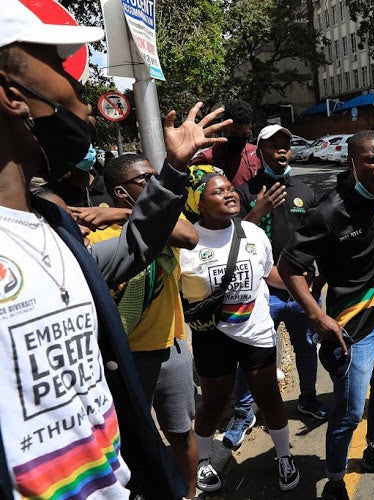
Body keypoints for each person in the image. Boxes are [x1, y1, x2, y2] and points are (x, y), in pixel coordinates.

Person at [0, 1, 231, 497]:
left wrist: (171, 171)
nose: (79, 85)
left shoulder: (53, 225)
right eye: (59, 63)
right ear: (10, 94)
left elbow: (136, 246)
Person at [279, 130, 374, 500]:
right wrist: (318, 317)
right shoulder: (328, 212)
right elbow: (289, 266)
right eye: (373, 159)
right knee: (350, 412)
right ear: (352, 163)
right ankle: (335, 481)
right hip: (351, 330)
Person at [87, 154, 201, 497]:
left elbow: (189, 236)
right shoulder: (97, 235)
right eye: (146, 179)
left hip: (172, 349)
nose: (155, 183)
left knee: (181, 433)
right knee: (129, 441)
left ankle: (190, 494)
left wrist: (125, 214)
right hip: (124, 359)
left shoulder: (166, 218)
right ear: (121, 190)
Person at [179, 173, 300, 493]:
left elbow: (267, 273)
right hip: (212, 336)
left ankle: (285, 456)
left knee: (269, 398)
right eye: (218, 192)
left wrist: (302, 290)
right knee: (214, 403)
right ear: (200, 203)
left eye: (230, 189)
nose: (230, 194)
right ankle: (202, 461)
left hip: (256, 332)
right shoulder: (188, 241)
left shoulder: (254, 233)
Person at [234, 124, 328, 432]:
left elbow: (322, 239)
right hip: (263, 292)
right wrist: (258, 210)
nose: (282, 150)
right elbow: (234, 240)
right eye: (274, 146)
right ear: (259, 151)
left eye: (285, 145)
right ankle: (245, 410)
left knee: (306, 348)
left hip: (303, 291)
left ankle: (308, 398)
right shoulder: (246, 192)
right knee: (255, 353)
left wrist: (317, 282)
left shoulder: (305, 191)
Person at [191, 99, 261, 187]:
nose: (239, 138)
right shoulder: (207, 158)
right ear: (224, 129)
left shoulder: (257, 153)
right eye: (234, 134)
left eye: (244, 134)